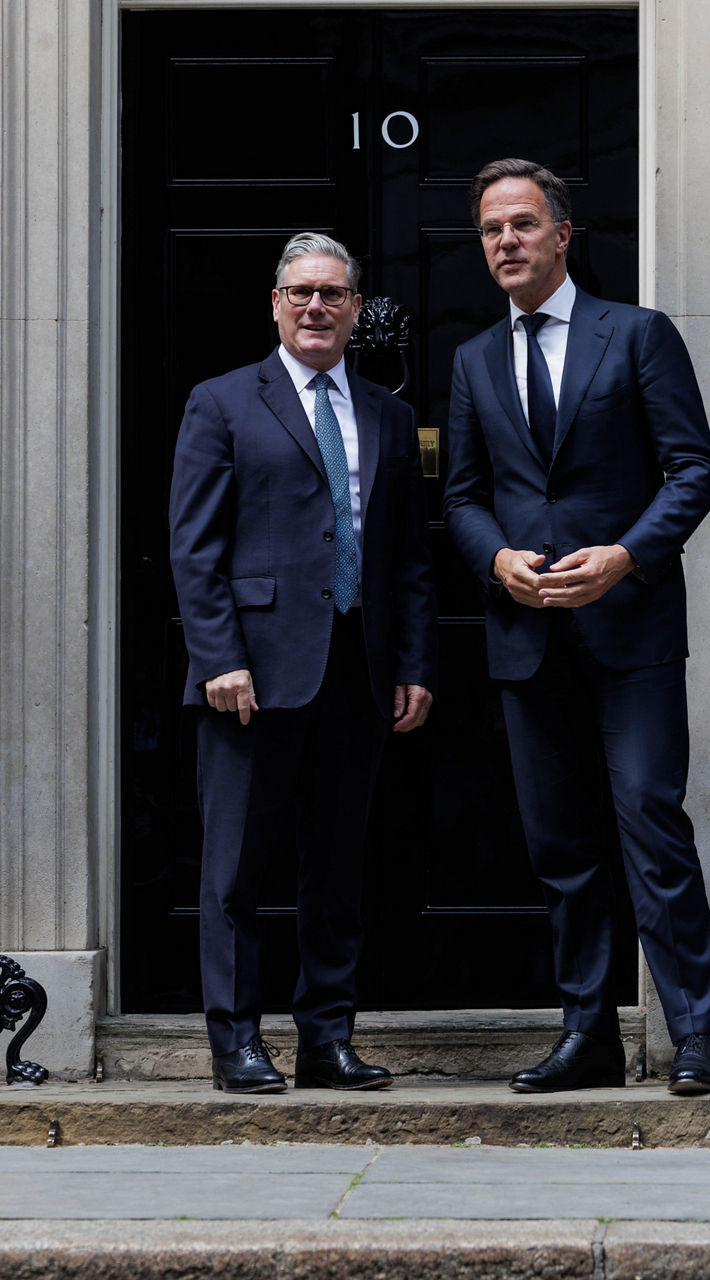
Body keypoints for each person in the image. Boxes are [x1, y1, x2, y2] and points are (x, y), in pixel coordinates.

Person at [443, 159, 710, 1095]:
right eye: (492, 229)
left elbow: (696, 468)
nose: (506, 242)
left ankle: (696, 1034)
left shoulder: (637, 335)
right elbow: (463, 496)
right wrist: (496, 561)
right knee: (561, 847)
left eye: (522, 224)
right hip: (528, 640)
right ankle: (588, 1035)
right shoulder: (473, 360)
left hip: (631, 632)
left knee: (650, 823)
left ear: (562, 235)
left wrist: (625, 556)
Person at [170, 233, 437, 1094]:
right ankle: (236, 1043)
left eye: (332, 294)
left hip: (358, 673)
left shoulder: (388, 415)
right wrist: (219, 656)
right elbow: (194, 548)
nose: (316, 307)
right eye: (300, 293)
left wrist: (413, 663)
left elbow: (409, 557)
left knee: (336, 870)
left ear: (356, 310)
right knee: (235, 871)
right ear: (276, 305)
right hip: (250, 675)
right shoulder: (221, 402)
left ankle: (326, 1040)